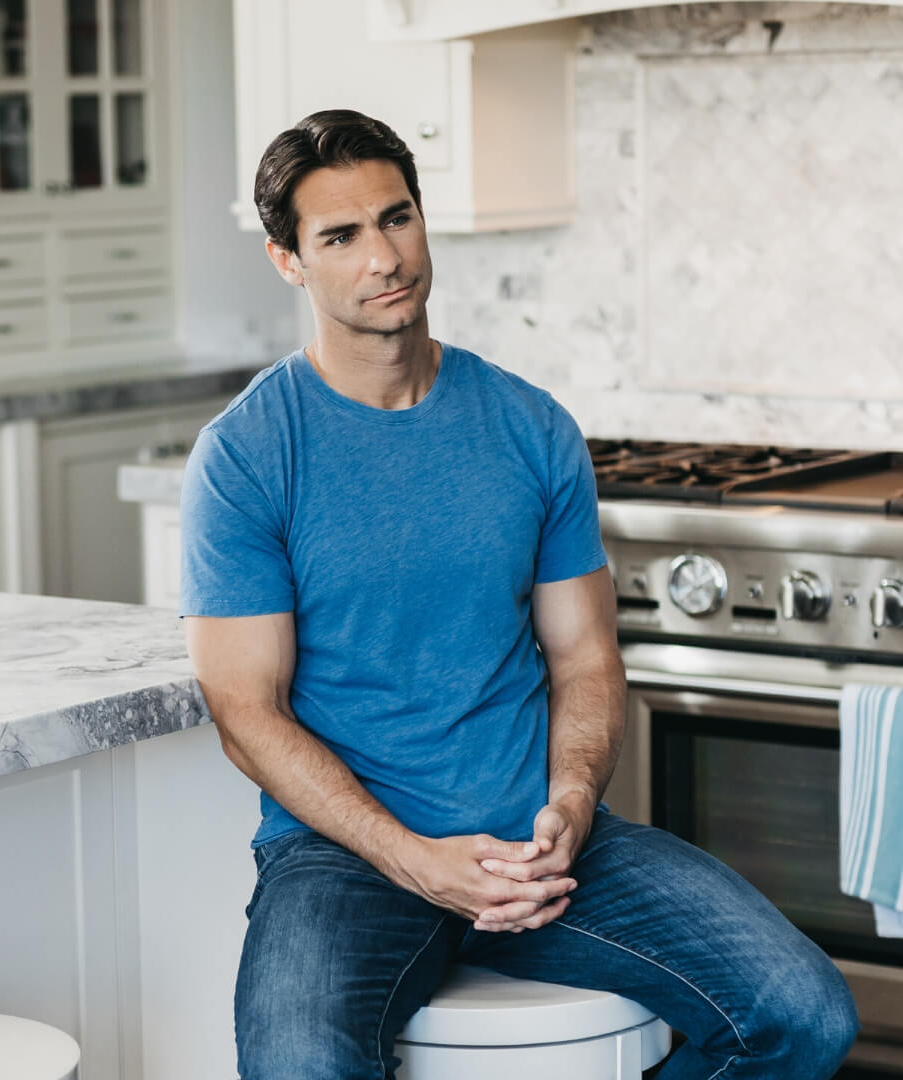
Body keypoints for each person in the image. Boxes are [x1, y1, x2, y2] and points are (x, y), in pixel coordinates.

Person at [178, 109, 859, 1079]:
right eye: (341, 236)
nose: (385, 256)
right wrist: (414, 857)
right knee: (298, 1066)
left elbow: (585, 658)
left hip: (544, 844)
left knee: (806, 1017)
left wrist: (573, 801)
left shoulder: (531, 427)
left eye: (397, 216)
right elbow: (246, 711)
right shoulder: (247, 455)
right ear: (289, 260)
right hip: (351, 858)